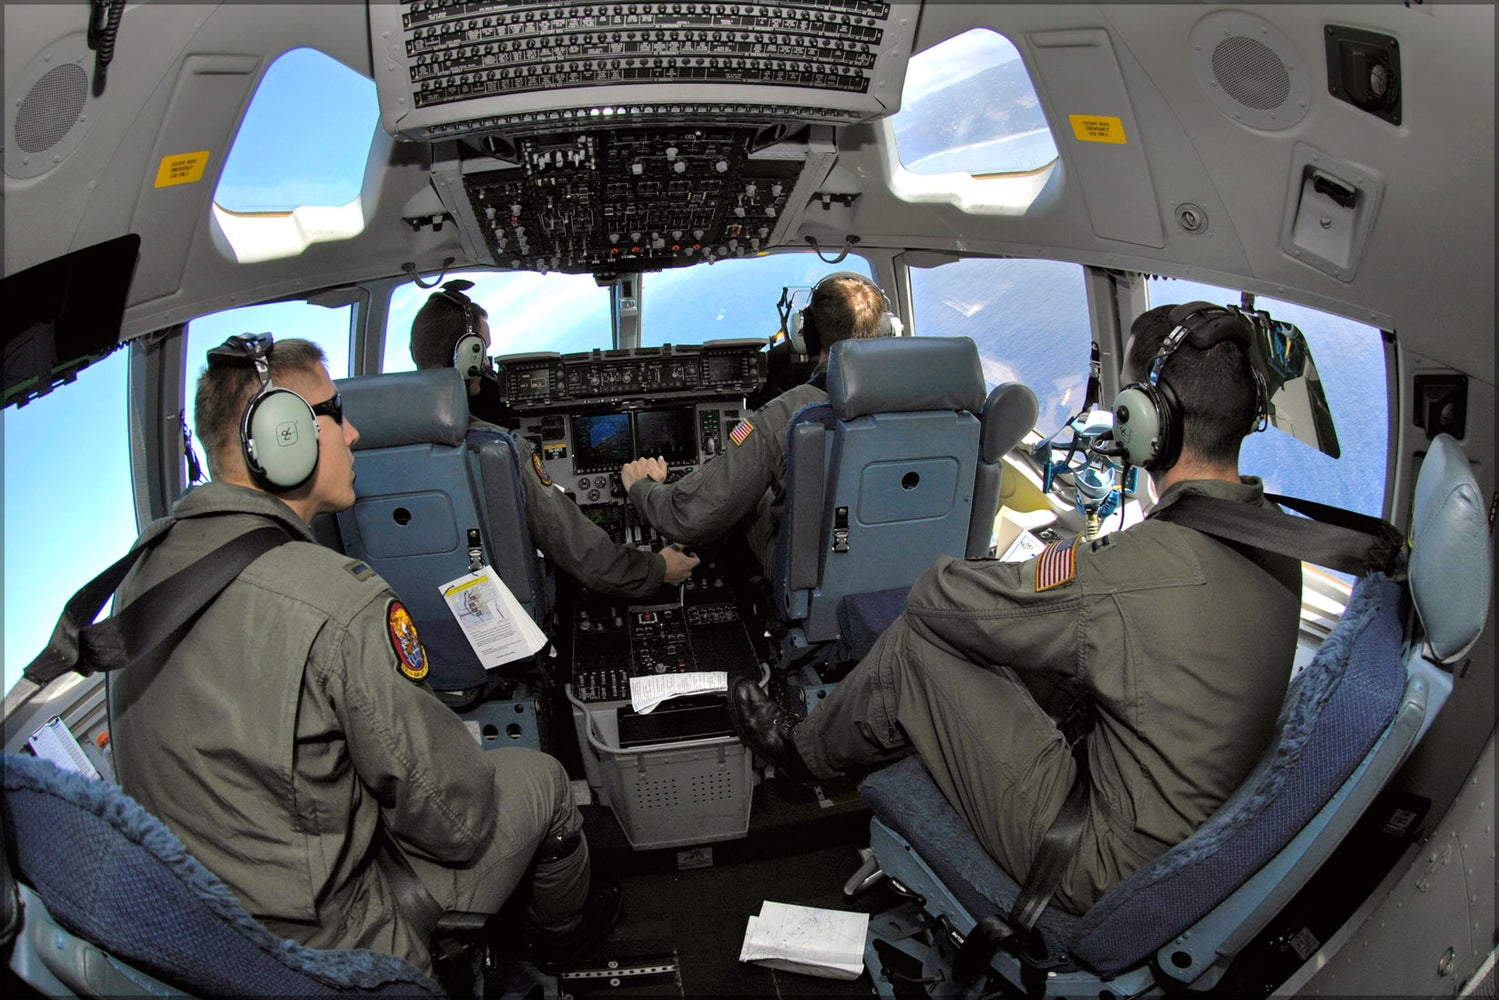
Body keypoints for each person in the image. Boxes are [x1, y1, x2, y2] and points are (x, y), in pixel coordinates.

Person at [727, 303, 1302, 914]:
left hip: (1096, 863)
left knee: (920, 644)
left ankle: (803, 755)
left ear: (1147, 418)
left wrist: (965, 572)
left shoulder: (1138, 571)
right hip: (1181, 839)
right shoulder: (1277, 540)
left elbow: (938, 601)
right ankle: (877, 731)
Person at [107, 335, 617, 976]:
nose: (352, 436)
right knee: (543, 779)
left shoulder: (139, 584)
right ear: (283, 434)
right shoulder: (337, 601)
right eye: (334, 413)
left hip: (208, 945)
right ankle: (559, 942)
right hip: (338, 943)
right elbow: (457, 821)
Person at [410, 281, 699, 598]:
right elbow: (582, 554)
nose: (485, 367)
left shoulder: (367, 441)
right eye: (484, 352)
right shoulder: (499, 448)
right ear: (468, 354)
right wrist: (657, 568)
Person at [620, 272, 890, 571]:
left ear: (807, 332)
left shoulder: (786, 414)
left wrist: (642, 486)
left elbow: (687, 519)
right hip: (894, 558)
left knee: (750, 492)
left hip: (814, 574)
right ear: (883, 329)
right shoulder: (921, 394)